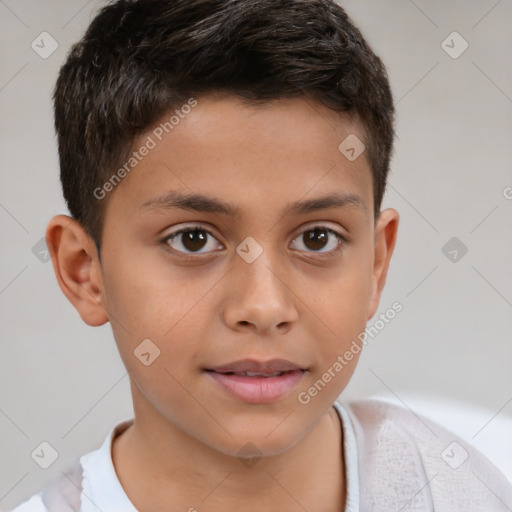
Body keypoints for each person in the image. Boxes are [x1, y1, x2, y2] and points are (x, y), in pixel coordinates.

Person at [9, 0, 512, 510]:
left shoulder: (468, 489)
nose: (264, 307)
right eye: (193, 240)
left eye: (317, 238)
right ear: (83, 271)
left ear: (376, 263)